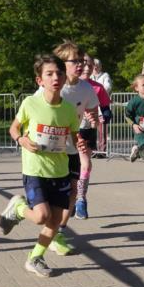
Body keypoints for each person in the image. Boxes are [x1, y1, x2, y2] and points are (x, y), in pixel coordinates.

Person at [0, 54, 85, 277]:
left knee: (55, 221)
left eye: (59, 73)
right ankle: (18, 207)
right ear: (40, 81)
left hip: (60, 170)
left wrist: (81, 142)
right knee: (41, 217)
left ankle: (35, 258)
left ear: (65, 78)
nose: (55, 77)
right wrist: (21, 140)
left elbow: (74, 136)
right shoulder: (30, 103)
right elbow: (14, 128)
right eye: (49, 74)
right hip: (35, 170)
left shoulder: (68, 109)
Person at [42, 41, 99, 226]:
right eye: (75, 61)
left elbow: (93, 111)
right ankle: (22, 209)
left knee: (74, 191)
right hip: (51, 149)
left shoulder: (86, 88)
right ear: (62, 64)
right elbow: (34, 111)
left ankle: (60, 230)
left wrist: (93, 119)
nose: (81, 64)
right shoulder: (52, 86)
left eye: (82, 60)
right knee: (49, 200)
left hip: (72, 147)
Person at [83, 55, 112, 157]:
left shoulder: (98, 87)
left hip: (90, 125)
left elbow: (105, 105)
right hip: (72, 128)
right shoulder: (67, 84)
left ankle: (100, 151)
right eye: (85, 65)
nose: (87, 69)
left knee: (85, 163)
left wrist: (106, 114)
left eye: (90, 66)